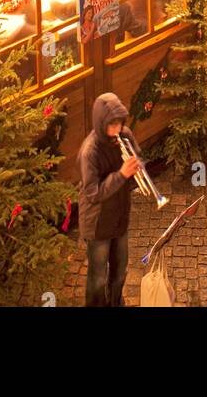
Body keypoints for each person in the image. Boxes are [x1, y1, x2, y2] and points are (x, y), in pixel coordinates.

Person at [78, 93, 141, 307]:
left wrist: (137, 168)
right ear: (101, 123)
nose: (117, 130)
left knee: (120, 271)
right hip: (97, 223)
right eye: (111, 125)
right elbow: (92, 193)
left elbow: (136, 157)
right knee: (98, 279)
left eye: (119, 124)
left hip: (119, 216)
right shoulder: (90, 151)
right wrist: (121, 175)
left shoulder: (125, 135)